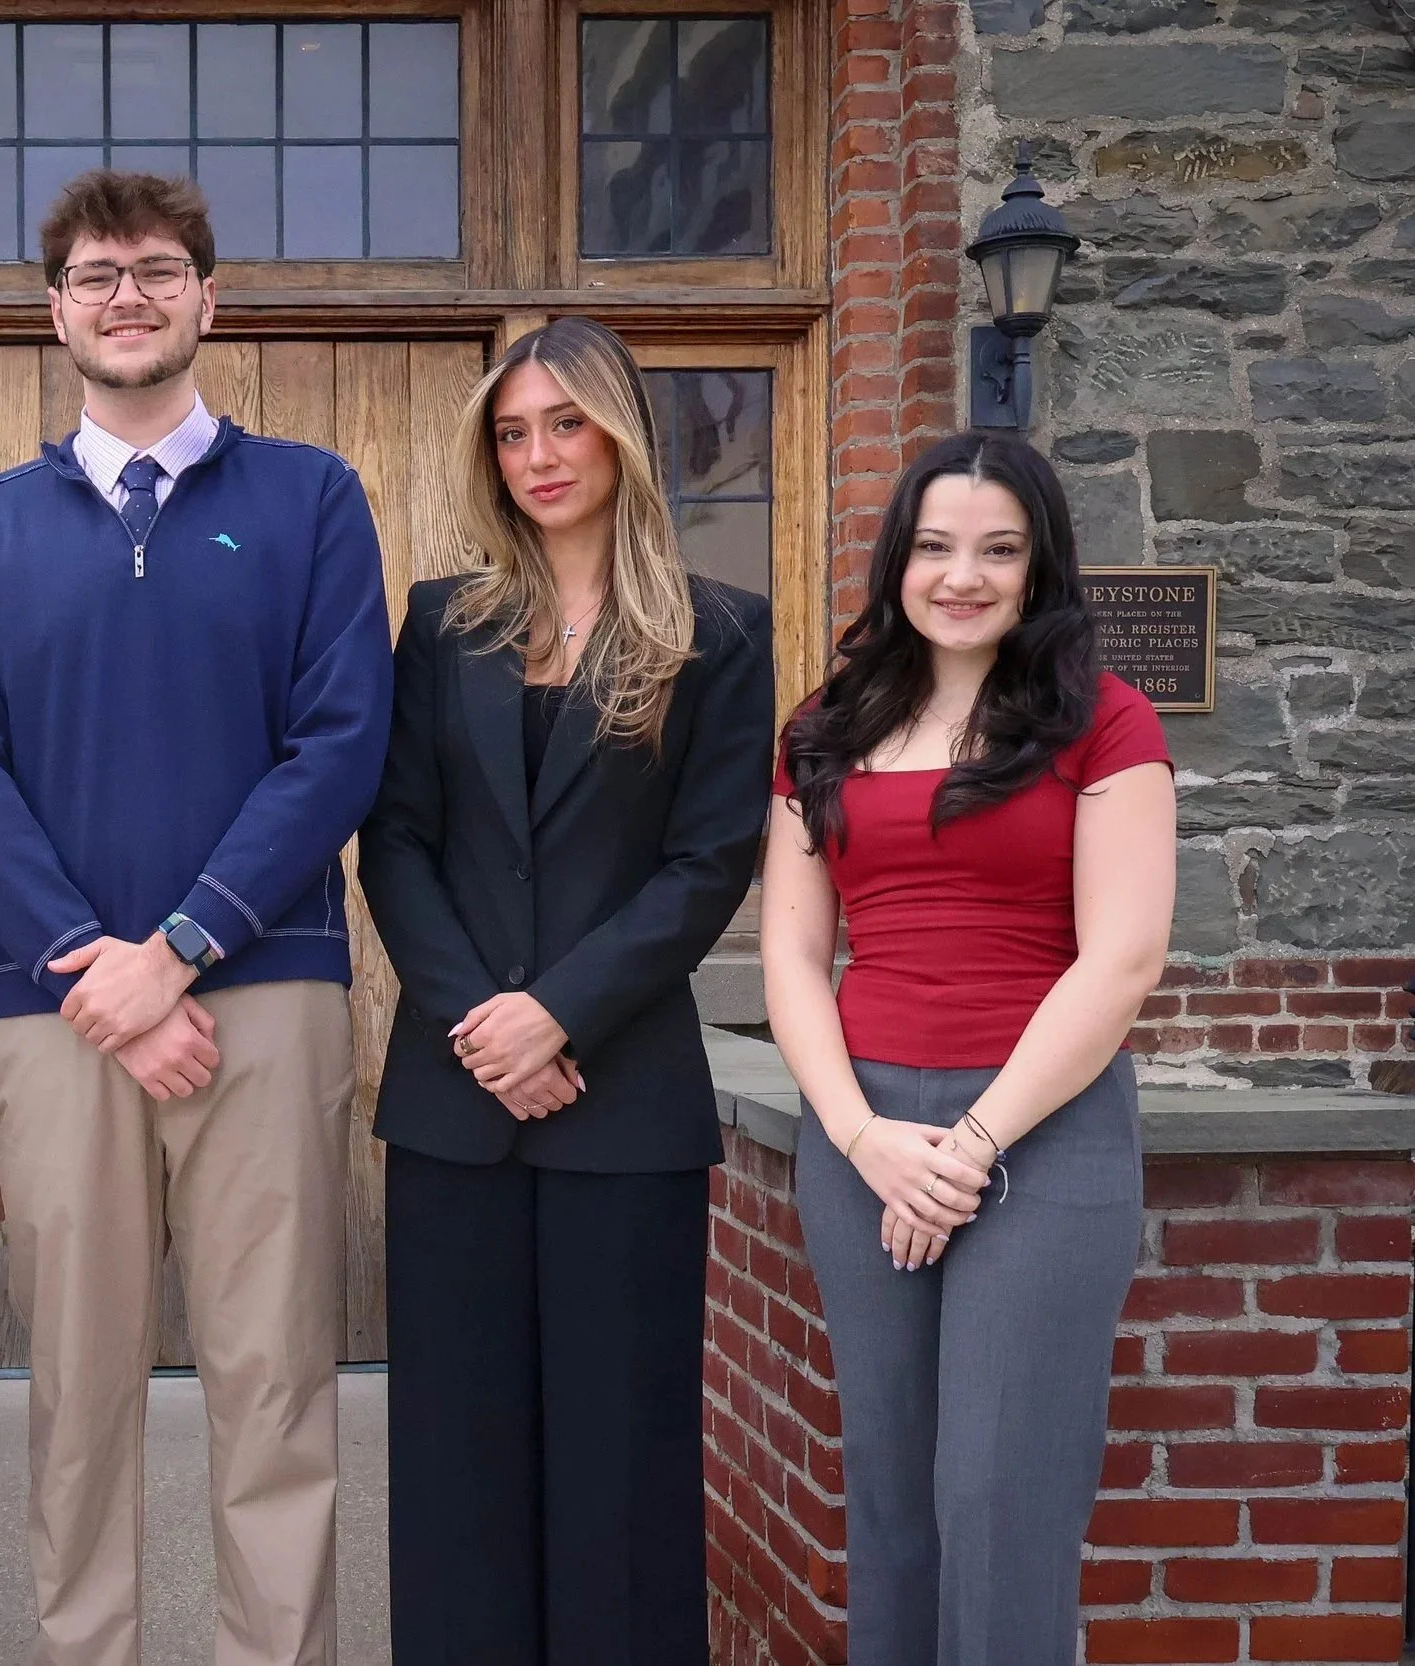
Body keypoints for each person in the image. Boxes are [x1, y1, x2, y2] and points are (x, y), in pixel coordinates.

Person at [0, 170, 391, 1666]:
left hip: (266, 995)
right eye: (96, 274)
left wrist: (181, 947)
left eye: (158, 270)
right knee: (77, 1390)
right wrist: (94, 972)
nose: (128, 295)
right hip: (57, 1015)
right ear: (54, 313)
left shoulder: (310, 499)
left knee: (275, 1382)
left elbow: (340, 746)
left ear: (208, 299)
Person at [358, 315, 774, 1665]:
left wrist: (561, 1013)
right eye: (512, 432)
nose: (538, 454)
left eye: (565, 423)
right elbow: (396, 840)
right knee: (456, 1462)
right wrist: (484, 1024)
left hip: (623, 1103)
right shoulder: (442, 624)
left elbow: (709, 860)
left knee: (621, 1468)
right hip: (454, 1104)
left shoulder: (719, 631)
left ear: (622, 436)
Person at [763, 431, 1175, 1665]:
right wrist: (863, 1139)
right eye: (936, 546)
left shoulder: (1104, 719)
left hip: (1043, 1135)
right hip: (866, 1136)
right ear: (897, 559)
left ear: (1039, 566)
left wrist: (974, 1142)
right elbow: (792, 958)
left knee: (1000, 1497)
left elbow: (1122, 960)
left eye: (998, 549)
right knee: (891, 1497)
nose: (962, 575)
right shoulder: (824, 724)